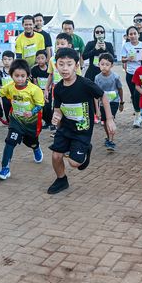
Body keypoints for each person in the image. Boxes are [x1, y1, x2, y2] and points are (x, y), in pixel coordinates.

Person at [48, 48, 115, 194]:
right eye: (61, 64)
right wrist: (56, 117)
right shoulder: (58, 88)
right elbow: (58, 110)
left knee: (74, 163)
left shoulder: (85, 84)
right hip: (65, 128)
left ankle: (86, 149)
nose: (65, 68)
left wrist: (109, 119)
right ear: (56, 66)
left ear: (76, 65)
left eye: (69, 64)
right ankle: (61, 180)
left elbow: (103, 96)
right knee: (56, 155)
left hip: (82, 130)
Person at [0, 58, 45, 180]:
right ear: (11, 75)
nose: (19, 79)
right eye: (16, 76)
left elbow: (40, 105)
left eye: (22, 76)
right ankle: (5, 168)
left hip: (31, 123)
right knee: (10, 142)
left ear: (27, 76)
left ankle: (36, 148)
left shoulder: (35, 90)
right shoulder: (9, 87)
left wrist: (32, 112)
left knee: (30, 142)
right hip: (16, 121)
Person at [94, 53, 123, 151]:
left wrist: (121, 102)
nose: (104, 67)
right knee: (105, 121)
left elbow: (120, 89)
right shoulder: (97, 78)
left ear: (112, 65)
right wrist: (97, 109)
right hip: (103, 103)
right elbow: (95, 95)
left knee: (111, 119)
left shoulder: (115, 77)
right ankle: (108, 137)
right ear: (98, 64)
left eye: (107, 64)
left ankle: (111, 140)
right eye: (102, 64)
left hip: (114, 102)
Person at [121, 26, 142, 127]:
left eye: (135, 33)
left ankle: (138, 116)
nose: (133, 36)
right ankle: (138, 115)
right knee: (133, 95)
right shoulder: (126, 46)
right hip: (130, 74)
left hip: (141, 74)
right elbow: (122, 59)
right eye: (130, 34)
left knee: (137, 94)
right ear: (127, 36)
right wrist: (128, 59)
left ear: (138, 35)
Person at [30, 50, 53, 129]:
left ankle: (50, 122)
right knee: (41, 107)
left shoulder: (50, 68)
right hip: (39, 92)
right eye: (38, 58)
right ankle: (46, 121)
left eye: (42, 58)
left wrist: (48, 90)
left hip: (49, 91)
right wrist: (40, 91)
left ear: (46, 59)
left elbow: (52, 80)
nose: (40, 60)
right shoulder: (34, 69)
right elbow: (35, 81)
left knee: (48, 107)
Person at [0, 50, 16, 121]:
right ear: (2, 60)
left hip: (14, 93)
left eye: (9, 59)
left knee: (15, 107)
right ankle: (8, 120)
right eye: (5, 59)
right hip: (4, 94)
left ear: (13, 60)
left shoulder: (15, 71)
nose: (7, 61)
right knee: (6, 107)